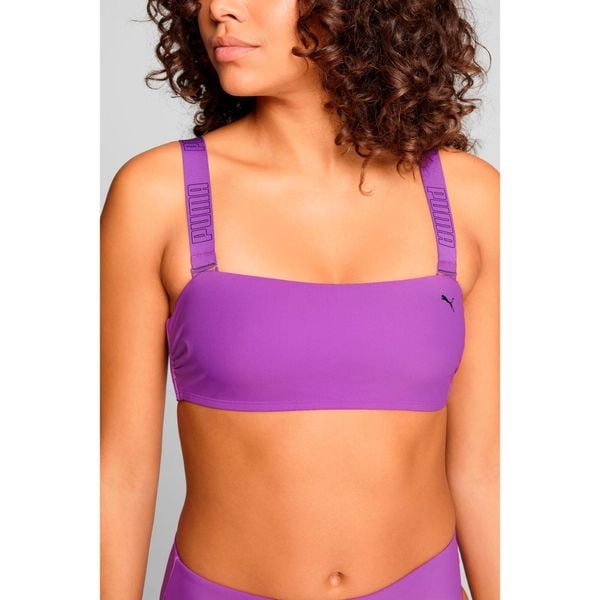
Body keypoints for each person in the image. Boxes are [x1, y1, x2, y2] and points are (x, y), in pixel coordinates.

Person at [101, 0, 499, 598]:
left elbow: (486, 471)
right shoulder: (157, 195)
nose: (218, 9)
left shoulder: (471, 199)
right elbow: (119, 473)